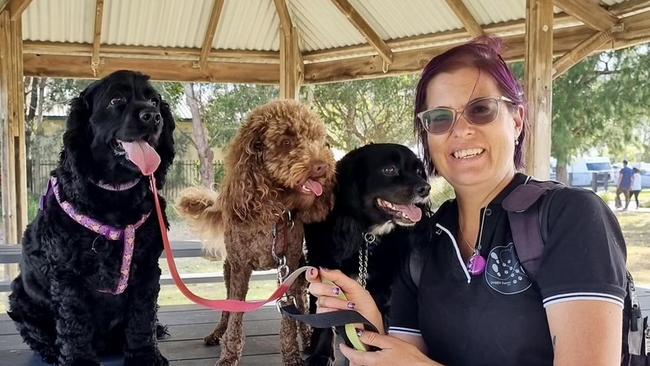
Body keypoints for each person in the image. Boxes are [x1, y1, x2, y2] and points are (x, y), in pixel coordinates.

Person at [306, 36, 627, 366]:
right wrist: (368, 323)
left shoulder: (569, 216)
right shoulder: (422, 240)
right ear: (427, 135)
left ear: (516, 121)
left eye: (481, 110)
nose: (460, 130)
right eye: (440, 118)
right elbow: (401, 357)